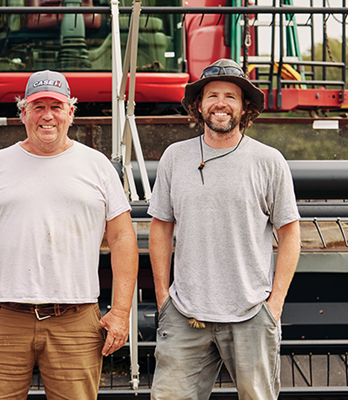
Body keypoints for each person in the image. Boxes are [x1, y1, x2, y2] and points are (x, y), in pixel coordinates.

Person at [0, 70, 139, 399]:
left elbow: (122, 238)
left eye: (56, 106)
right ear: (23, 113)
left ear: (71, 113)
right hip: (3, 318)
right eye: (37, 106)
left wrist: (120, 312)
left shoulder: (98, 166)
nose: (47, 116)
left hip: (75, 321)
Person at [148, 58, 301, 400]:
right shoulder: (175, 157)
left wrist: (273, 306)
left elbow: (290, 235)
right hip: (185, 313)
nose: (220, 103)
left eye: (230, 96)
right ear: (198, 105)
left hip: (251, 313)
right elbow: (160, 227)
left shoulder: (268, 161)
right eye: (212, 95)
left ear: (244, 107)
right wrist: (163, 299)